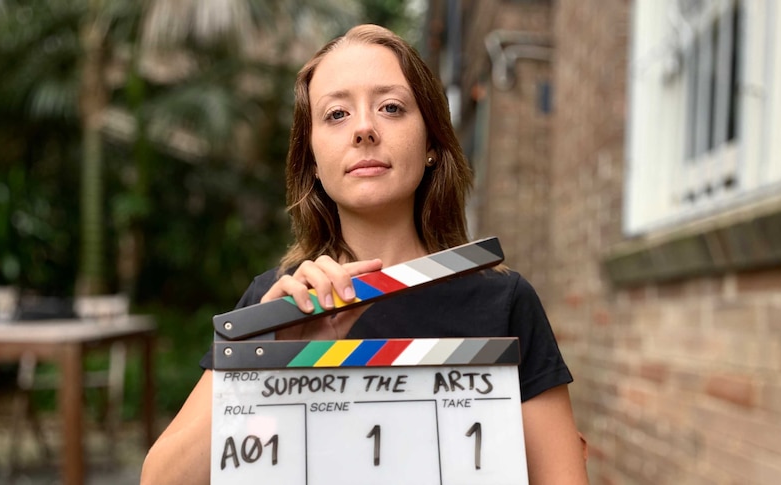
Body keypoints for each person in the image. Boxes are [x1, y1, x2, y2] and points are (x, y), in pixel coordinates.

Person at [140, 24, 589, 485]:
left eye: (391, 107)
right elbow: (161, 480)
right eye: (336, 114)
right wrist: (268, 363)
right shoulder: (278, 306)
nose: (364, 129)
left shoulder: (505, 302)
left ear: (432, 142)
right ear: (312, 160)